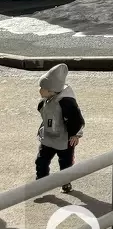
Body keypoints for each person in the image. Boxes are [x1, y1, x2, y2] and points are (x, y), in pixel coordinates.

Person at [36, 64, 84, 192]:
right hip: (48, 136)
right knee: (41, 161)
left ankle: (65, 183)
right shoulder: (45, 101)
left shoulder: (66, 102)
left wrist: (76, 134)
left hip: (64, 138)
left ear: (51, 90)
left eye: (42, 88)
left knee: (65, 163)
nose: (39, 90)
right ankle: (40, 184)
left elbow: (77, 120)